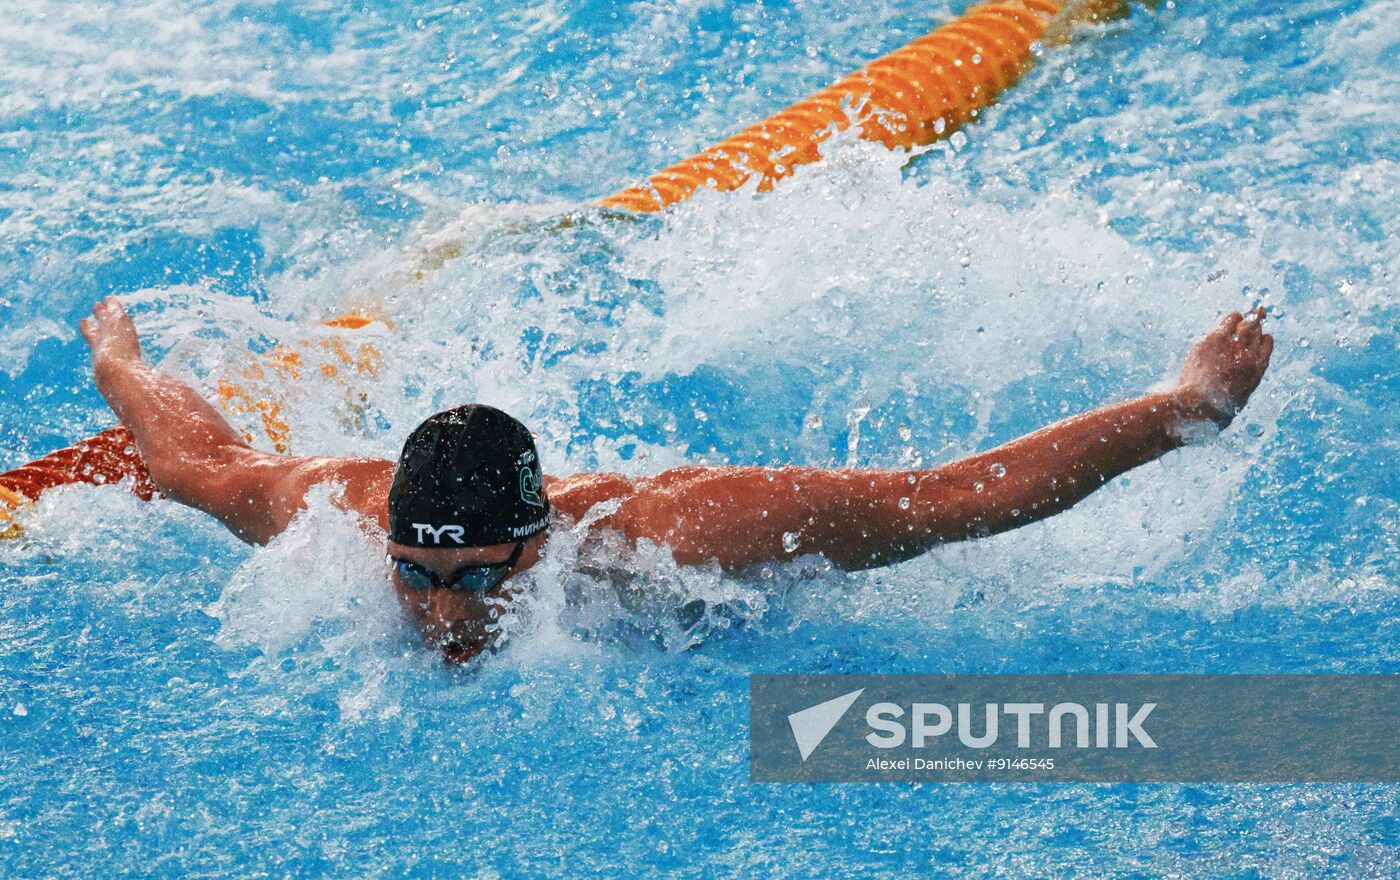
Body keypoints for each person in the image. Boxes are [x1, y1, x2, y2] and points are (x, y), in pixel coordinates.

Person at [79, 296, 1273, 662]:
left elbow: (955, 497)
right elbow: (200, 460)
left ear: (537, 543)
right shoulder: (340, 511)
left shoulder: (676, 534)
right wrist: (120, 360)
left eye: (474, 577)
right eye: (418, 574)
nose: (443, 612)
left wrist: (1184, 405)